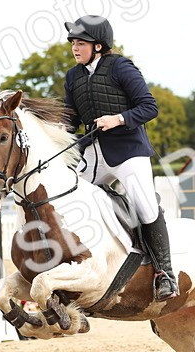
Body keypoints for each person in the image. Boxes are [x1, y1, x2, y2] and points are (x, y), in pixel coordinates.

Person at [63, 15, 178, 301]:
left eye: (80, 43)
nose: (75, 48)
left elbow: (149, 107)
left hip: (128, 152)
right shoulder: (73, 76)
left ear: (98, 46)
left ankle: (165, 274)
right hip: (94, 152)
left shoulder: (121, 67)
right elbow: (71, 120)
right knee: (69, 200)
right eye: (73, 43)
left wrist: (118, 119)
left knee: (146, 207)